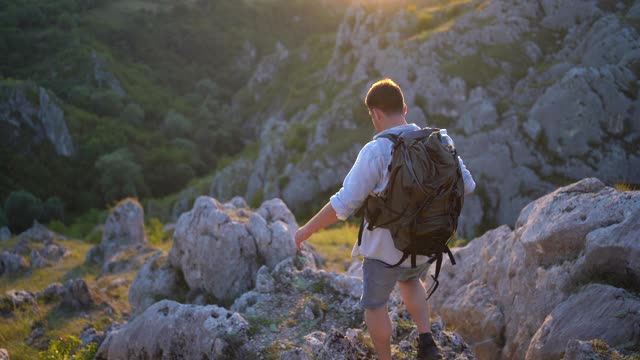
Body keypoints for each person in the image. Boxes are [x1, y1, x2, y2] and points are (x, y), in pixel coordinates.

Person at [294, 78, 476, 360]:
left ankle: (385, 358)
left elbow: (344, 204)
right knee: (412, 281)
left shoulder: (376, 151)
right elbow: (468, 185)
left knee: (375, 306)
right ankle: (427, 341)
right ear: (404, 107)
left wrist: (305, 230)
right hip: (426, 241)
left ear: (376, 114)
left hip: (384, 250)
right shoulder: (439, 140)